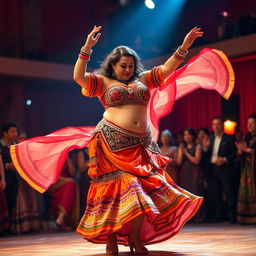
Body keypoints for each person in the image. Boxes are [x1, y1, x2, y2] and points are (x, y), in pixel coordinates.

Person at [10, 25, 234, 256]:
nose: (127, 69)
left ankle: (135, 239)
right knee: (112, 195)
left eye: (130, 66)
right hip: (110, 146)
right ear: (113, 66)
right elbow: (78, 76)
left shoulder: (144, 79)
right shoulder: (103, 83)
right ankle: (112, 239)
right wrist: (86, 49)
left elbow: (167, 69)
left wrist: (184, 46)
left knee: (138, 194)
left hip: (141, 147)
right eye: (122, 66)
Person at [202, 117, 238, 223]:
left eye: (218, 124)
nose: (216, 126)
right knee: (215, 193)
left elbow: (235, 154)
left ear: (222, 126)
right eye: (214, 124)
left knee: (229, 192)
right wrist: (204, 148)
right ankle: (218, 216)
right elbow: (206, 154)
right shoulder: (210, 137)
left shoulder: (229, 138)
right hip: (213, 169)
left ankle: (232, 217)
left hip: (225, 168)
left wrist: (225, 159)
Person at [176, 128, 205, 222]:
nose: (187, 137)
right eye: (185, 135)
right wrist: (181, 150)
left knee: (195, 193)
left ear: (193, 136)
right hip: (185, 172)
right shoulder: (183, 146)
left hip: (194, 172)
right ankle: (188, 217)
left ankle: (198, 217)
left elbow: (196, 161)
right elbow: (179, 162)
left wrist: (186, 153)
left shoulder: (198, 146)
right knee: (186, 195)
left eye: (188, 134)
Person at [236, 115, 256, 224]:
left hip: (254, 169)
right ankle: (246, 217)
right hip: (247, 169)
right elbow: (242, 152)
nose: (249, 125)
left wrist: (247, 150)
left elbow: (251, 150)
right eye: (248, 123)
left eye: (252, 123)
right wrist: (240, 152)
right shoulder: (247, 137)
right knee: (245, 191)